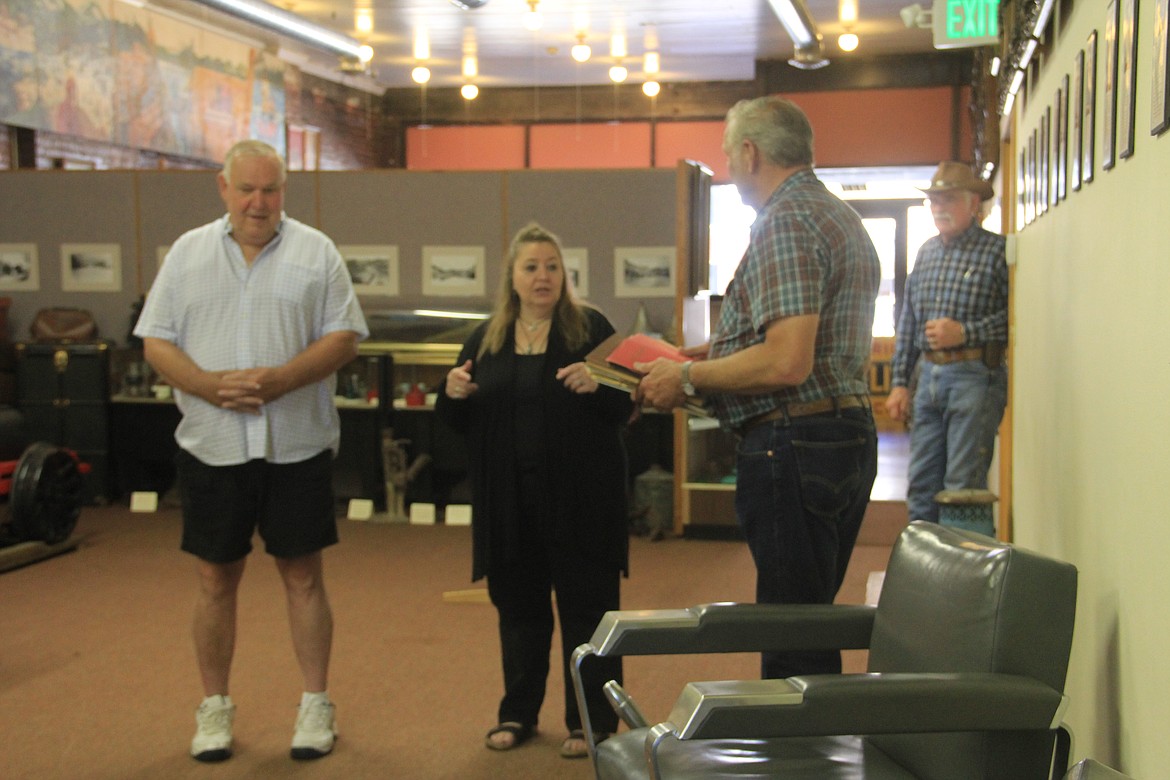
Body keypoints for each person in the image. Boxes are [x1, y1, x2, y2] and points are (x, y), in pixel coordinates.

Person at [133, 139, 368, 763]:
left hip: (296, 446)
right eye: (247, 189)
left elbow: (344, 338)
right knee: (214, 580)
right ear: (223, 188)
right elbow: (155, 341)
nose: (259, 203)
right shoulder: (186, 255)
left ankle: (316, 705)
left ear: (283, 191)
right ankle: (214, 711)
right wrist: (209, 386)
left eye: (271, 190)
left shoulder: (316, 252)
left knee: (302, 578)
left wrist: (282, 380)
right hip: (212, 448)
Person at [636, 96, 880, 680]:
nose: (726, 168)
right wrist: (705, 355)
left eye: (727, 154)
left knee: (791, 631)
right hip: (839, 433)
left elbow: (786, 362)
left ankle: (798, 763)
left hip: (794, 443)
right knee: (809, 618)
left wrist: (688, 376)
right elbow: (800, 348)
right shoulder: (831, 213)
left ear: (750, 152)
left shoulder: (784, 221)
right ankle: (815, 755)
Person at [434, 222, 633, 759]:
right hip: (510, 506)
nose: (543, 276)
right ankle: (517, 713)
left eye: (551, 266)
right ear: (513, 278)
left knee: (587, 612)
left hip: (582, 503)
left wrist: (602, 384)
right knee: (519, 612)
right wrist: (450, 393)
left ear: (563, 276)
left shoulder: (591, 328)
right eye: (531, 267)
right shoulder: (487, 337)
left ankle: (590, 720)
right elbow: (453, 417)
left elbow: (628, 404)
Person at [884, 162, 1008, 533]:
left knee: (962, 487)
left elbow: (1017, 317)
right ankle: (924, 572)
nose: (939, 207)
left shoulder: (997, 252)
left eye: (949, 199)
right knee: (921, 484)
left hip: (976, 379)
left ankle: (964, 583)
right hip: (929, 378)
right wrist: (900, 382)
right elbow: (908, 321)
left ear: (974, 205)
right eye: (935, 200)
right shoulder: (926, 253)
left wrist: (966, 333)